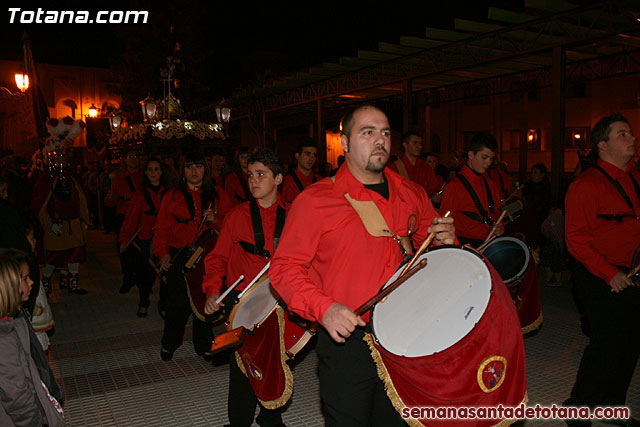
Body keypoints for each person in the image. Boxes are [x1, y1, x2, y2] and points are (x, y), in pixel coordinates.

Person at [269, 104, 455, 426]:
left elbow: (431, 250)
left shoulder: (411, 193)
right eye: (367, 132)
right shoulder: (315, 201)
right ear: (344, 143)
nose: (379, 140)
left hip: (407, 335)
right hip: (349, 339)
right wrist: (324, 308)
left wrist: (446, 241)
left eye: (384, 133)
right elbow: (284, 269)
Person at [563, 113, 640, 427]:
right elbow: (576, 239)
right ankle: (578, 406)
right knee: (607, 342)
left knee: (632, 340)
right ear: (603, 145)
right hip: (599, 274)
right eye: (623, 134)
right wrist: (610, 273)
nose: (632, 138)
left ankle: (611, 406)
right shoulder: (585, 184)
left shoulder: (634, 177)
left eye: (631, 133)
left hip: (632, 271)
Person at [202, 148, 288, 427]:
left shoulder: (295, 216)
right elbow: (217, 257)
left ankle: (270, 415)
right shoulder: (237, 215)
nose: (253, 180)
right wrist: (213, 290)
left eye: (261, 174)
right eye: (250, 175)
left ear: (278, 178)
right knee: (242, 363)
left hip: (278, 301)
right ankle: (239, 421)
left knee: (275, 361)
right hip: (241, 300)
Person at [152, 152, 231, 361]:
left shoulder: (219, 194)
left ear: (205, 169)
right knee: (176, 304)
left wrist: (216, 220)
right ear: (183, 170)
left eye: (198, 166)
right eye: (189, 167)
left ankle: (203, 344)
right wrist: (163, 254)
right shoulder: (172, 195)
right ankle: (170, 341)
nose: (194, 171)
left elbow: (232, 227)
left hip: (208, 257)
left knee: (204, 300)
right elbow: (161, 228)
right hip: (180, 256)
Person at [0, 254, 66, 426]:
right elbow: (17, 395)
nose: (31, 282)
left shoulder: (12, 323)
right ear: (6, 287)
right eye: (24, 278)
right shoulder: (4, 339)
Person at [119, 157, 167, 317]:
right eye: (150, 170)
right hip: (146, 238)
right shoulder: (140, 195)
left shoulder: (169, 193)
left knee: (166, 274)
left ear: (161, 172)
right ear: (145, 173)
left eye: (156, 169)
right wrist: (125, 238)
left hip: (165, 239)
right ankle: (143, 302)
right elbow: (131, 218)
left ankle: (164, 303)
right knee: (145, 273)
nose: (153, 173)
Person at [439, 131, 504, 247]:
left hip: (490, 243)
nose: (488, 162)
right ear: (471, 155)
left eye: (491, 158)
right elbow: (444, 226)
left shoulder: (490, 183)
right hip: (465, 247)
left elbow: (498, 211)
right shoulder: (454, 187)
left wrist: (501, 226)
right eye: (484, 157)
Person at [108, 150, 143, 294]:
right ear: (126, 160)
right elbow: (112, 200)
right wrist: (109, 199)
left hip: (141, 216)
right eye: (131, 157)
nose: (134, 159)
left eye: (136, 156)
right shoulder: (119, 178)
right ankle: (127, 278)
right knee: (124, 249)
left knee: (141, 250)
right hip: (123, 215)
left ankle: (141, 280)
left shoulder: (144, 177)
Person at [388, 130, 443, 201]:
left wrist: (436, 197)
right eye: (415, 143)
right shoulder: (394, 167)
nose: (419, 146)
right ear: (405, 145)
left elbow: (434, 189)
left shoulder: (426, 167)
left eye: (420, 143)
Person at [280, 140, 319, 205]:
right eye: (307, 154)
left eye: (314, 155)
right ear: (297, 156)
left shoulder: (320, 181)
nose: (311, 159)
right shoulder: (286, 182)